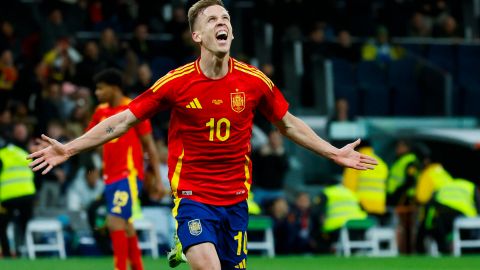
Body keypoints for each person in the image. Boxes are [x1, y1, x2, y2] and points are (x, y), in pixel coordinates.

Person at [28, 1, 377, 269]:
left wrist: (333, 152)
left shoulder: (254, 82)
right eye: (212, 19)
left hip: (237, 198)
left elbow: (288, 124)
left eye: (225, 18)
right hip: (193, 195)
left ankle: (184, 246)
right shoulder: (176, 83)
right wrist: (69, 149)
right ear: (197, 36)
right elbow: (121, 121)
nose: (221, 23)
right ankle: (187, 240)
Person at [89, 69, 166, 270]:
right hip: (109, 177)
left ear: (114, 88)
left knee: (114, 222)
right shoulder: (100, 111)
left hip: (128, 175)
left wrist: (158, 179)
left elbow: (149, 145)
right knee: (126, 224)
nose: (97, 93)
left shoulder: (134, 109)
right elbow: (90, 139)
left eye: (100, 88)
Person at [0, 123, 36, 257]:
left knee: (2, 226)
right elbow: (34, 173)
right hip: (27, 195)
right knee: (22, 225)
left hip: (7, 197)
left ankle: (8, 253)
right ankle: (20, 250)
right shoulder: (24, 153)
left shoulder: (2, 154)